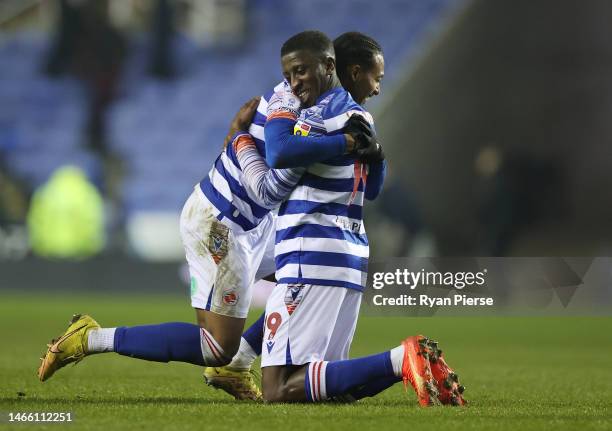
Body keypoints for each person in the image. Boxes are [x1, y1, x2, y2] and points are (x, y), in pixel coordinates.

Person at [36, 34, 378, 392]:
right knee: (216, 346)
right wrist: (239, 138)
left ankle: (236, 366)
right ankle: (90, 338)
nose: (295, 81)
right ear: (342, 71)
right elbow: (269, 185)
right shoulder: (292, 104)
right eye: (371, 79)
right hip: (220, 222)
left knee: (306, 276)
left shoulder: (324, 109)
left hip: (253, 223)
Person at [215, 31, 465, 406]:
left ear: (336, 69)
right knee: (326, 388)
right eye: (376, 78)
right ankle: (413, 364)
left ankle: (401, 360)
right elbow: (375, 188)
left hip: (310, 255)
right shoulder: (360, 117)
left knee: (278, 388)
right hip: (347, 261)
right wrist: (377, 154)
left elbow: (280, 154)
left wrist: (239, 139)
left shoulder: (320, 115)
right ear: (356, 72)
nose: (377, 88)